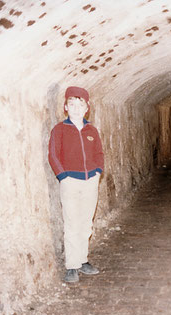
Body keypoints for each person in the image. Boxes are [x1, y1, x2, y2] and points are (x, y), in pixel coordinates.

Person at [48, 86, 104, 283]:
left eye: (80, 105)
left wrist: (97, 172)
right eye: (72, 104)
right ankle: (72, 266)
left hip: (90, 182)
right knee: (72, 222)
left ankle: (82, 260)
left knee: (86, 222)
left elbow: (99, 154)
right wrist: (63, 176)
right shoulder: (60, 130)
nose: (76, 109)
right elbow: (53, 155)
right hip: (70, 182)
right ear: (65, 107)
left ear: (87, 108)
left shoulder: (92, 130)